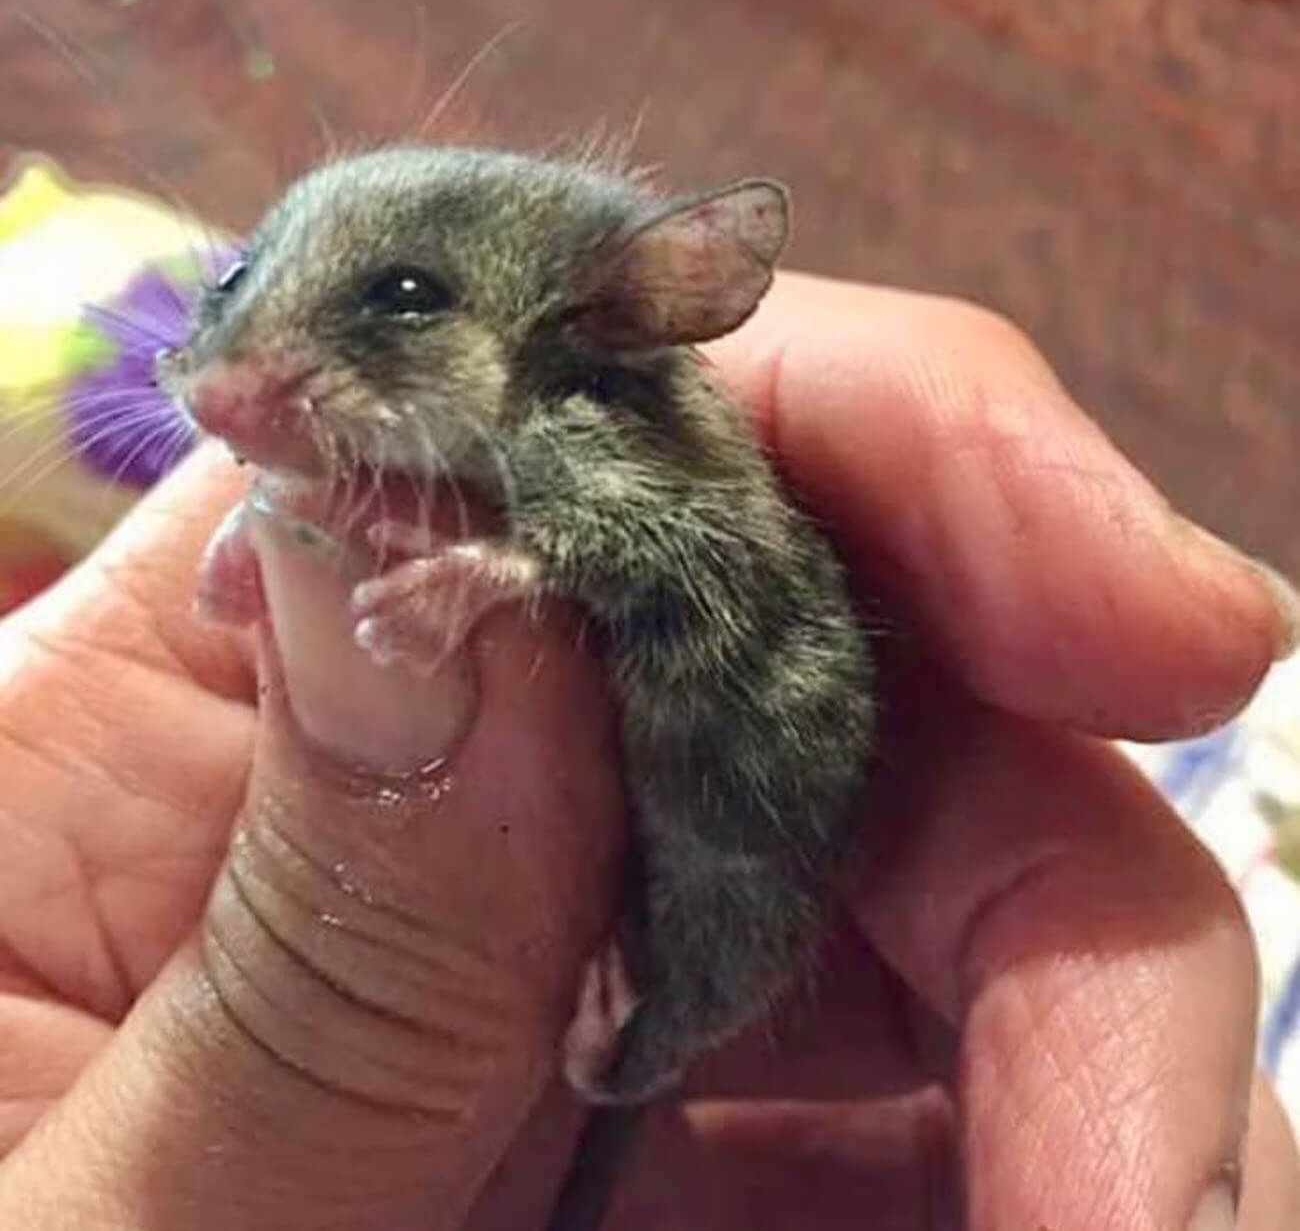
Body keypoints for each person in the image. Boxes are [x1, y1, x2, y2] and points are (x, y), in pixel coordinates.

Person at [0, 273, 1295, 1230]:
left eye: (393, 300)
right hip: (611, 879)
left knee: (720, 917)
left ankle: (651, 1023)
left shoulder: (611, 427)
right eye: (237, 281)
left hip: (738, 791)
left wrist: (498, 573)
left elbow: (672, 549)